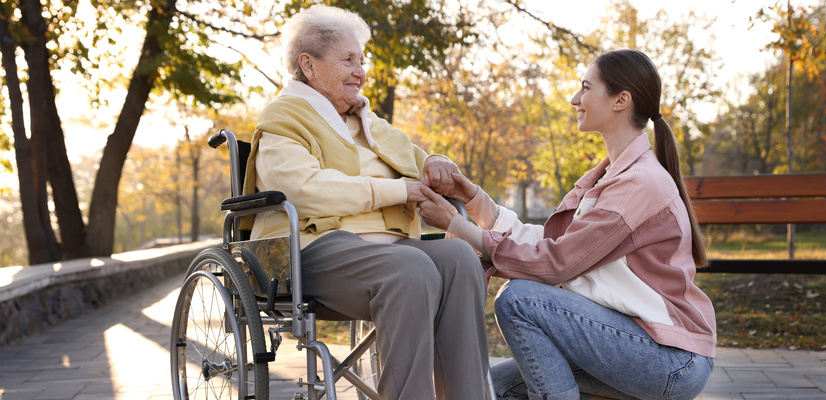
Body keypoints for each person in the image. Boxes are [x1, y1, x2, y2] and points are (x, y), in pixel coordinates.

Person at [418, 49, 716, 400]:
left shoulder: (638, 183)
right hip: (631, 340)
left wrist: (457, 224)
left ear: (621, 101)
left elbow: (557, 264)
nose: (575, 99)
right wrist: (475, 202)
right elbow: (553, 243)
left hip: (669, 358)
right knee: (494, 390)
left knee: (519, 299)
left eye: (586, 88)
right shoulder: (610, 176)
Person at [240, 5, 490, 399]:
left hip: (388, 248)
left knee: (460, 259)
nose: (361, 71)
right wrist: (399, 191)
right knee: (409, 269)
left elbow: (418, 161)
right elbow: (304, 189)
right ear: (308, 65)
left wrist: (436, 161)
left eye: (362, 60)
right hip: (312, 249)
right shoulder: (283, 119)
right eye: (348, 60)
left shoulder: (369, 123)